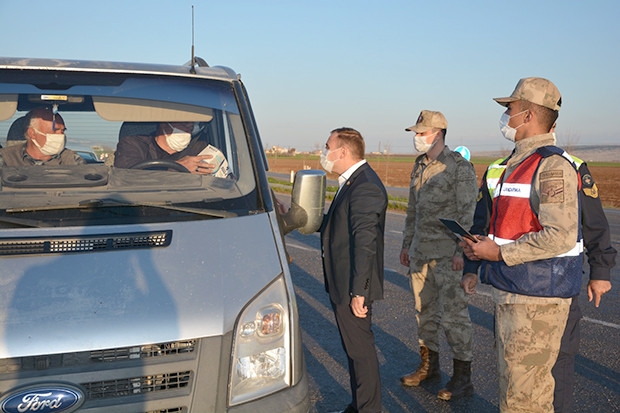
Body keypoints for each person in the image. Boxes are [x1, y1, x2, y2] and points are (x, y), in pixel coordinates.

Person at [463, 137, 616, 412]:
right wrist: (471, 267)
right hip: (510, 285)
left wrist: (600, 271)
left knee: (559, 365)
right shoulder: (498, 168)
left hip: (555, 283)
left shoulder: (569, 165)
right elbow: (481, 225)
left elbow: (594, 224)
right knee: (520, 378)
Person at [460, 77, 582, 412]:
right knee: (513, 392)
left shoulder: (552, 166)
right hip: (513, 290)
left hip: (536, 300)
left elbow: (560, 234)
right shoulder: (515, 163)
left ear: (527, 116)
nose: (505, 117)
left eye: (510, 110)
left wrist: (498, 253)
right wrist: (480, 250)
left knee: (526, 401)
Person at [399, 110, 478, 400]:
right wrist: (407, 244)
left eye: (422, 133)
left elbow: (468, 213)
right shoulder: (419, 165)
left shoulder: (458, 167)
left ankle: (462, 378)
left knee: (455, 317)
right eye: (416, 134)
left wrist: (462, 251)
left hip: (448, 255)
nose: (418, 138)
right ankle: (429, 366)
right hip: (421, 252)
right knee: (425, 312)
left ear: (439, 133)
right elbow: (412, 209)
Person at [320, 127, 387, 413]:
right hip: (344, 281)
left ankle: (369, 409)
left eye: (327, 148)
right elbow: (339, 226)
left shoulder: (365, 186)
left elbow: (364, 242)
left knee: (361, 353)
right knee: (354, 350)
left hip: (352, 285)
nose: (324, 154)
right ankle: (358, 405)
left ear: (343, 152)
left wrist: (359, 292)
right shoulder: (352, 182)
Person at [114, 122, 227, 176]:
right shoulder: (132, 144)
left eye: (190, 128)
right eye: (183, 126)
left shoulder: (198, 150)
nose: (187, 133)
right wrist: (177, 167)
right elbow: (125, 176)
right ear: (164, 124)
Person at [0, 108, 85, 167]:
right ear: (32, 133)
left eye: (63, 131)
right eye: (54, 130)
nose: (61, 136)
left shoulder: (73, 160)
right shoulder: (5, 158)